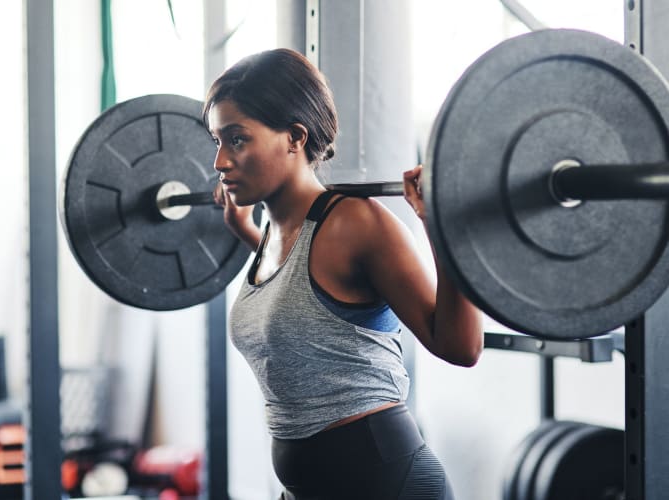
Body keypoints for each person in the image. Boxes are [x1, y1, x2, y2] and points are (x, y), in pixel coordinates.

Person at [204, 48, 482, 500]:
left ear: (294, 136)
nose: (220, 161)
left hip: (384, 484)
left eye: (237, 139)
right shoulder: (277, 233)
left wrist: (444, 227)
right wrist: (245, 231)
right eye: (216, 141)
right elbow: (302, 303)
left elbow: (461, 345)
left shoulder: (356, 223)